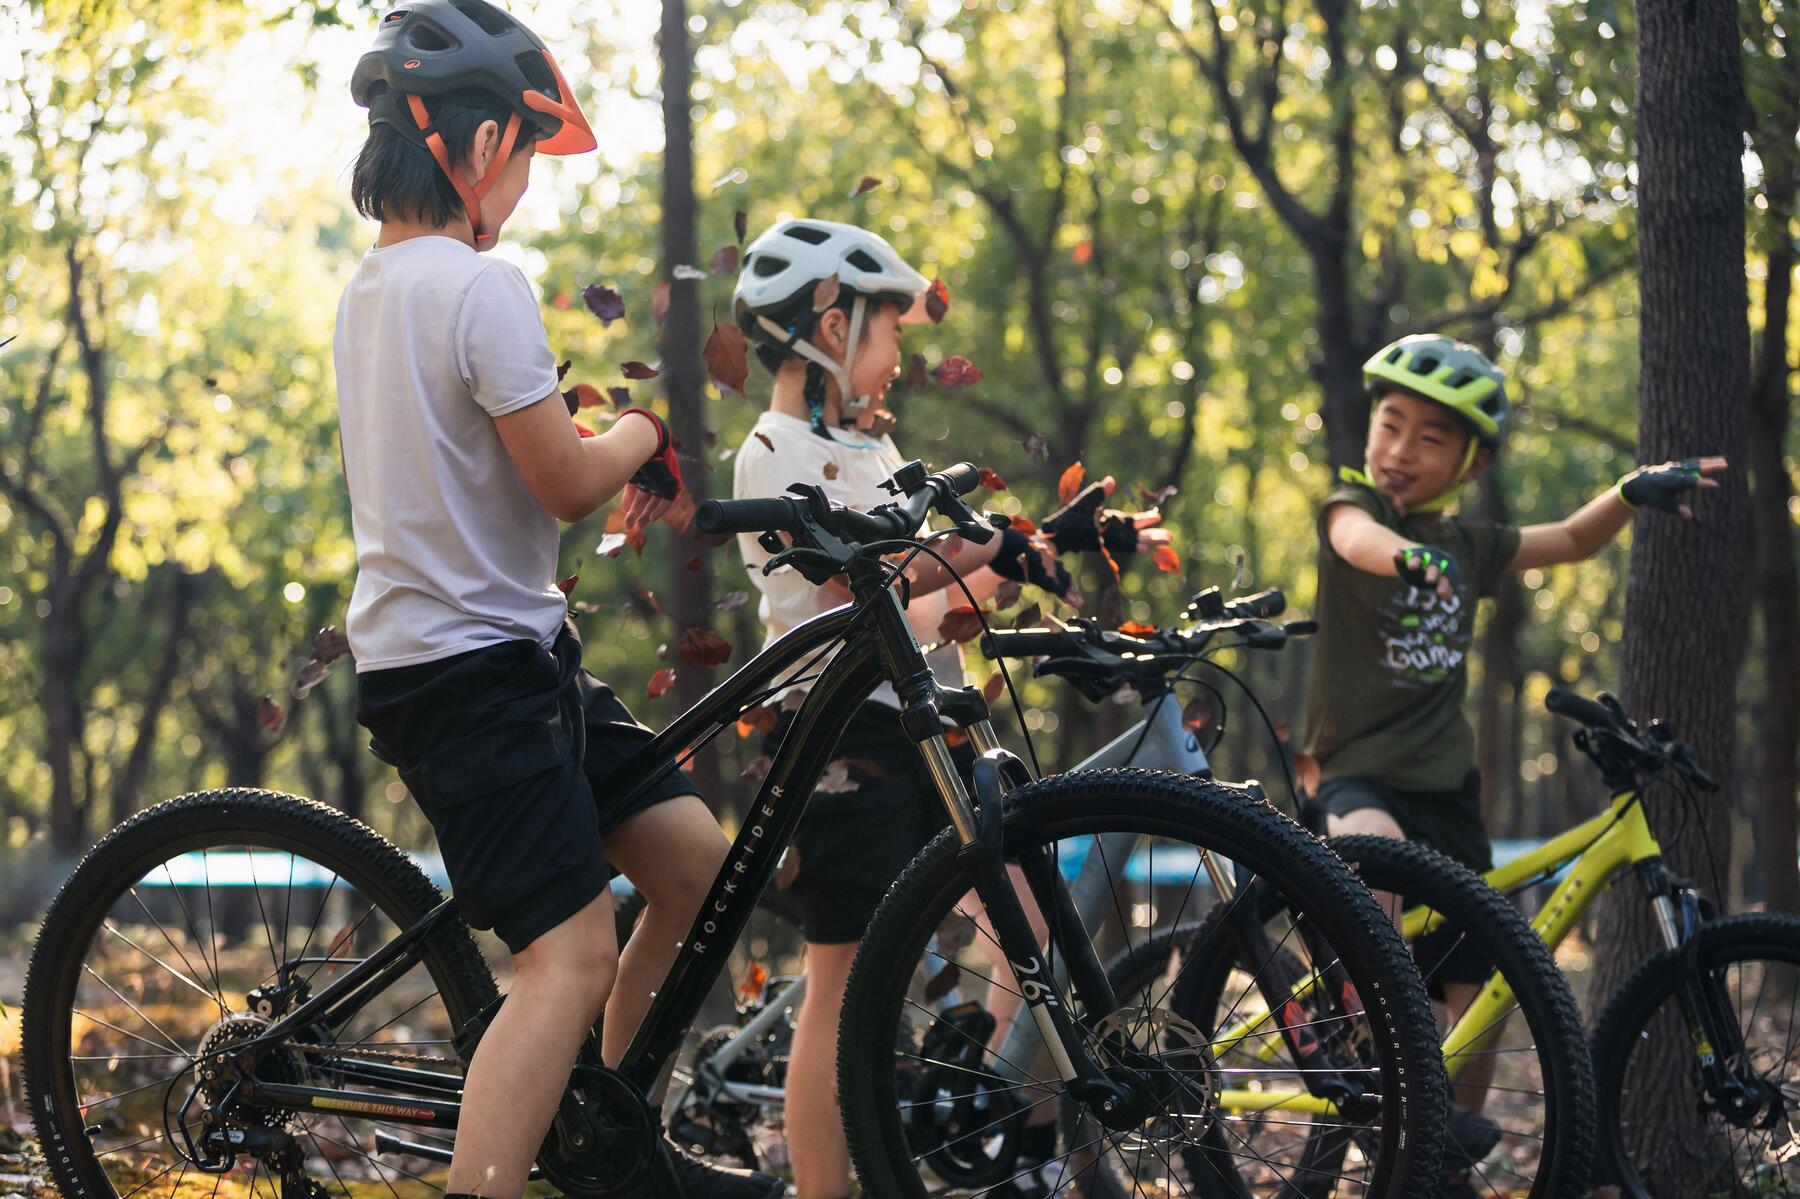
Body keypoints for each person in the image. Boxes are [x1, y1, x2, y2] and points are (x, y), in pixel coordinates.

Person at [335, 5, 782, 1197]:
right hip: (470, 675)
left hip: (506, 655)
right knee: (567, 956)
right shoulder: (483, 287)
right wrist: (646, 432)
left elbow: (482, 465)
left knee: (693, 864)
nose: (527, 186)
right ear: (481, 149)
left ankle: (608, 1143)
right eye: (529, 156)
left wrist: (603, 445)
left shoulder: (369, 294)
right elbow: (565, 482)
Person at [727, 218, 1168, 1199]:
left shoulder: (869, 447)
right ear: (828, 327)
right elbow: (868, 577)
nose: (898, 352)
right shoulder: (774, 450)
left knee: (1029, 916)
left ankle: (994, 1105)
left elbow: (927, 593)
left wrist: (1020, 554)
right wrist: (1003, 543)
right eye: (885, 329)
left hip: (924, 717)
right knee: (841, 988)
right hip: (840, 734)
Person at [1302, 331, 1727, 1190]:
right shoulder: (1357, 512)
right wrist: (1408, 559)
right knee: (1373, 873)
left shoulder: (1474, 542)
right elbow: (1356, 543)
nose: (1401, 450)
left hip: (1449, 792)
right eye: (1391, 424)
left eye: (1431, 437)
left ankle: (1440, 1153)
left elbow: (1570, 540)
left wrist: (1627, 493)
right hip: (1354, 770)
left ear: (1468, 460)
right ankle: (1350, 1039)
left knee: (1480, 985)